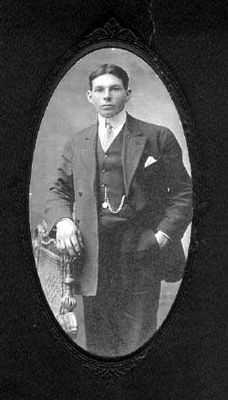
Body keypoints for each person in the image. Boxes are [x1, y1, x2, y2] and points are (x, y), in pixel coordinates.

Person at [44, 64, 192, 357]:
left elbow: (184, 194)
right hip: (93, 257)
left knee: (138, 343)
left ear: (128, 94)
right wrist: (62, 221)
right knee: (99, 343)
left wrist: (161, 237)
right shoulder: (77, 142)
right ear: (89, 96)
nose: (107, 96)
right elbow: (58, 190)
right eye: (99, 90)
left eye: (114, 89)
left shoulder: (157, 137)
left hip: (141, 253)